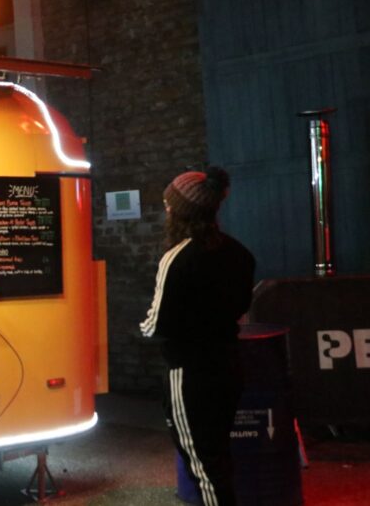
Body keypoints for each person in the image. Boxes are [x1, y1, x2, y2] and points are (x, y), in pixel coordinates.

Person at [140, 166, 255, 506]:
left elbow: (156, 324)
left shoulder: (177, 258)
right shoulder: (240, 253)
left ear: (180, 211)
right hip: (229, 365)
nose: (166, 209)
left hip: (189, 373)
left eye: (168, 203)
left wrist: (143, 326)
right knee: (217, 457)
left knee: (202, 466)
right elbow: (239, 308)